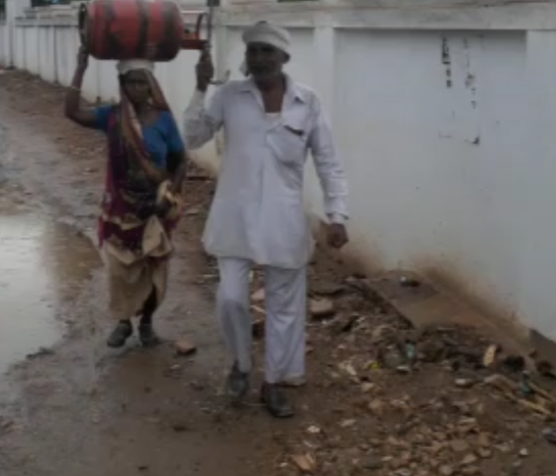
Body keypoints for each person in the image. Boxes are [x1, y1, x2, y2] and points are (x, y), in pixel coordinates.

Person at [182, 21, 350, 418]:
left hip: (284, 220)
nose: (258, 58)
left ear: (283, 58)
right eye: (253, 51)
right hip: (234, 216)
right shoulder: (228, 96)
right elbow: (191, 138)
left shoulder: (307, 103)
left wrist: (337, 213)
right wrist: (200, 88)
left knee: (286, 306)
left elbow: (328, 161)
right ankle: (240, 364)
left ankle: (274, 381)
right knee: (231, 299)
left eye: (266, 51)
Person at [65, 47, 188, 348]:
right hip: (121, 207)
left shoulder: (164, 121)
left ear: (151, 85)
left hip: (155, 207)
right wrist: (80, 69)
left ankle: (146, 323)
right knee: (120, 268)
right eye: (130, 83)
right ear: (122, 85)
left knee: (153, 267)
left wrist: (170, 193)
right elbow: (72, 112)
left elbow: (180, 159)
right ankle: (123, 322)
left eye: (141, 82)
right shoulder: (112, 117)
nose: (136, 89)